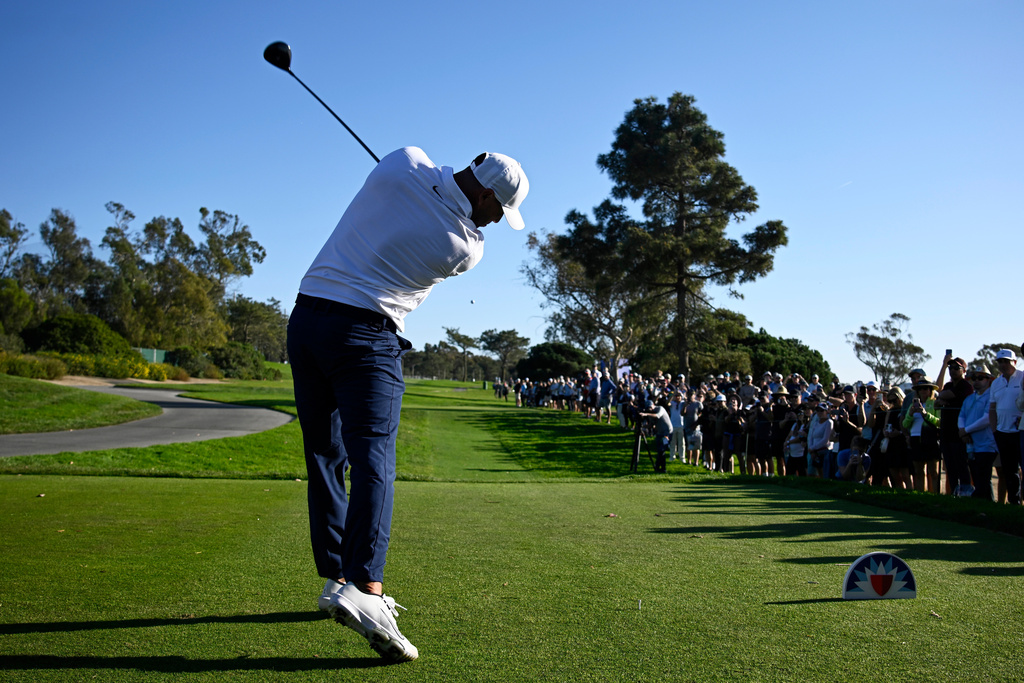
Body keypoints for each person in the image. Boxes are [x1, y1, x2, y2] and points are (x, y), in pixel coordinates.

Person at [287, 146, 529, 661]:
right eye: (498, 209)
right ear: (486, 194)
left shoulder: (401, 163)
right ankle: (366, 590)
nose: (494, 220)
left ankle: (336, 579)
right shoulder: (463, 246)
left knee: (325, 457)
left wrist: (428, 190)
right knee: (373, 460)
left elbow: (415, 173)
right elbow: (466, 225)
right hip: (365, 335)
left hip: (306, 321)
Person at [935, 354, 974, 495]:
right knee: (950, 466)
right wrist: (941, 398)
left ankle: (966, 491)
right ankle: (954, 492)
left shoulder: (966, 386)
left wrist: (942, 398)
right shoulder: (949, 385)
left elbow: (943, 396)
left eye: (956, 368)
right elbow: (938, 397)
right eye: (950, 367)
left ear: (964, 370)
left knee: (961, 464)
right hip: (946, 431)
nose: (952, 370)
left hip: (960, 432)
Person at [988, 349, 1023, 505]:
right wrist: (995, 430)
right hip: (1002, 433)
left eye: (1006, 361)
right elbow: (992, 409)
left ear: (1014, 362)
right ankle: (1014, 503)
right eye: (1000, 362)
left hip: (1020, 431)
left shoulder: (1022, 377)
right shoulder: (996, 383)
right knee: (1010, 471)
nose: (1003, 365)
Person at [960, 364, 997, 501]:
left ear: (988, 380)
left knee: (984, 476)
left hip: (987, 443)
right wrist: (962, 430)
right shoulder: (969, 398)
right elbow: (962, 416)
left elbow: (987, 419)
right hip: (972, 443)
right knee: (976, 475)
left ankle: (989, 503)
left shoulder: (991, 397)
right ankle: (983, 503)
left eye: (980, 378)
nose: (976, 381)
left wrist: (966, 430)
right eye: (974, 378)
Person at [903, 379, 941, 494]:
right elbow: (905, 424)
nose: (923, 391)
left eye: (926, 388)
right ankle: (920, 495)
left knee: (933, 472)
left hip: (930, 438)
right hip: (915, 438)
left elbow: (939, 422)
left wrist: (925, 414)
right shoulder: (912, 405)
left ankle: (936, 495)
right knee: (918, 471)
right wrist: (910, 414)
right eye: (920, 389)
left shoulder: (935, 403)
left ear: (930, 390)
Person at [638, 398, 673, 473]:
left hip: (667, 433)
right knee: (659, 451)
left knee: (662, 450)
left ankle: (662, 468)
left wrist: (646, 414)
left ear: (653, 405)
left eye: (650, 407)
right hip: (659, 433)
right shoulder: (650, 413)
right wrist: (642, 427)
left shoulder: (660, 408)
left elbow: (657, 416)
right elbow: (651, 425)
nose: (650, 409)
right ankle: (658, 468)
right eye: (648, 408)